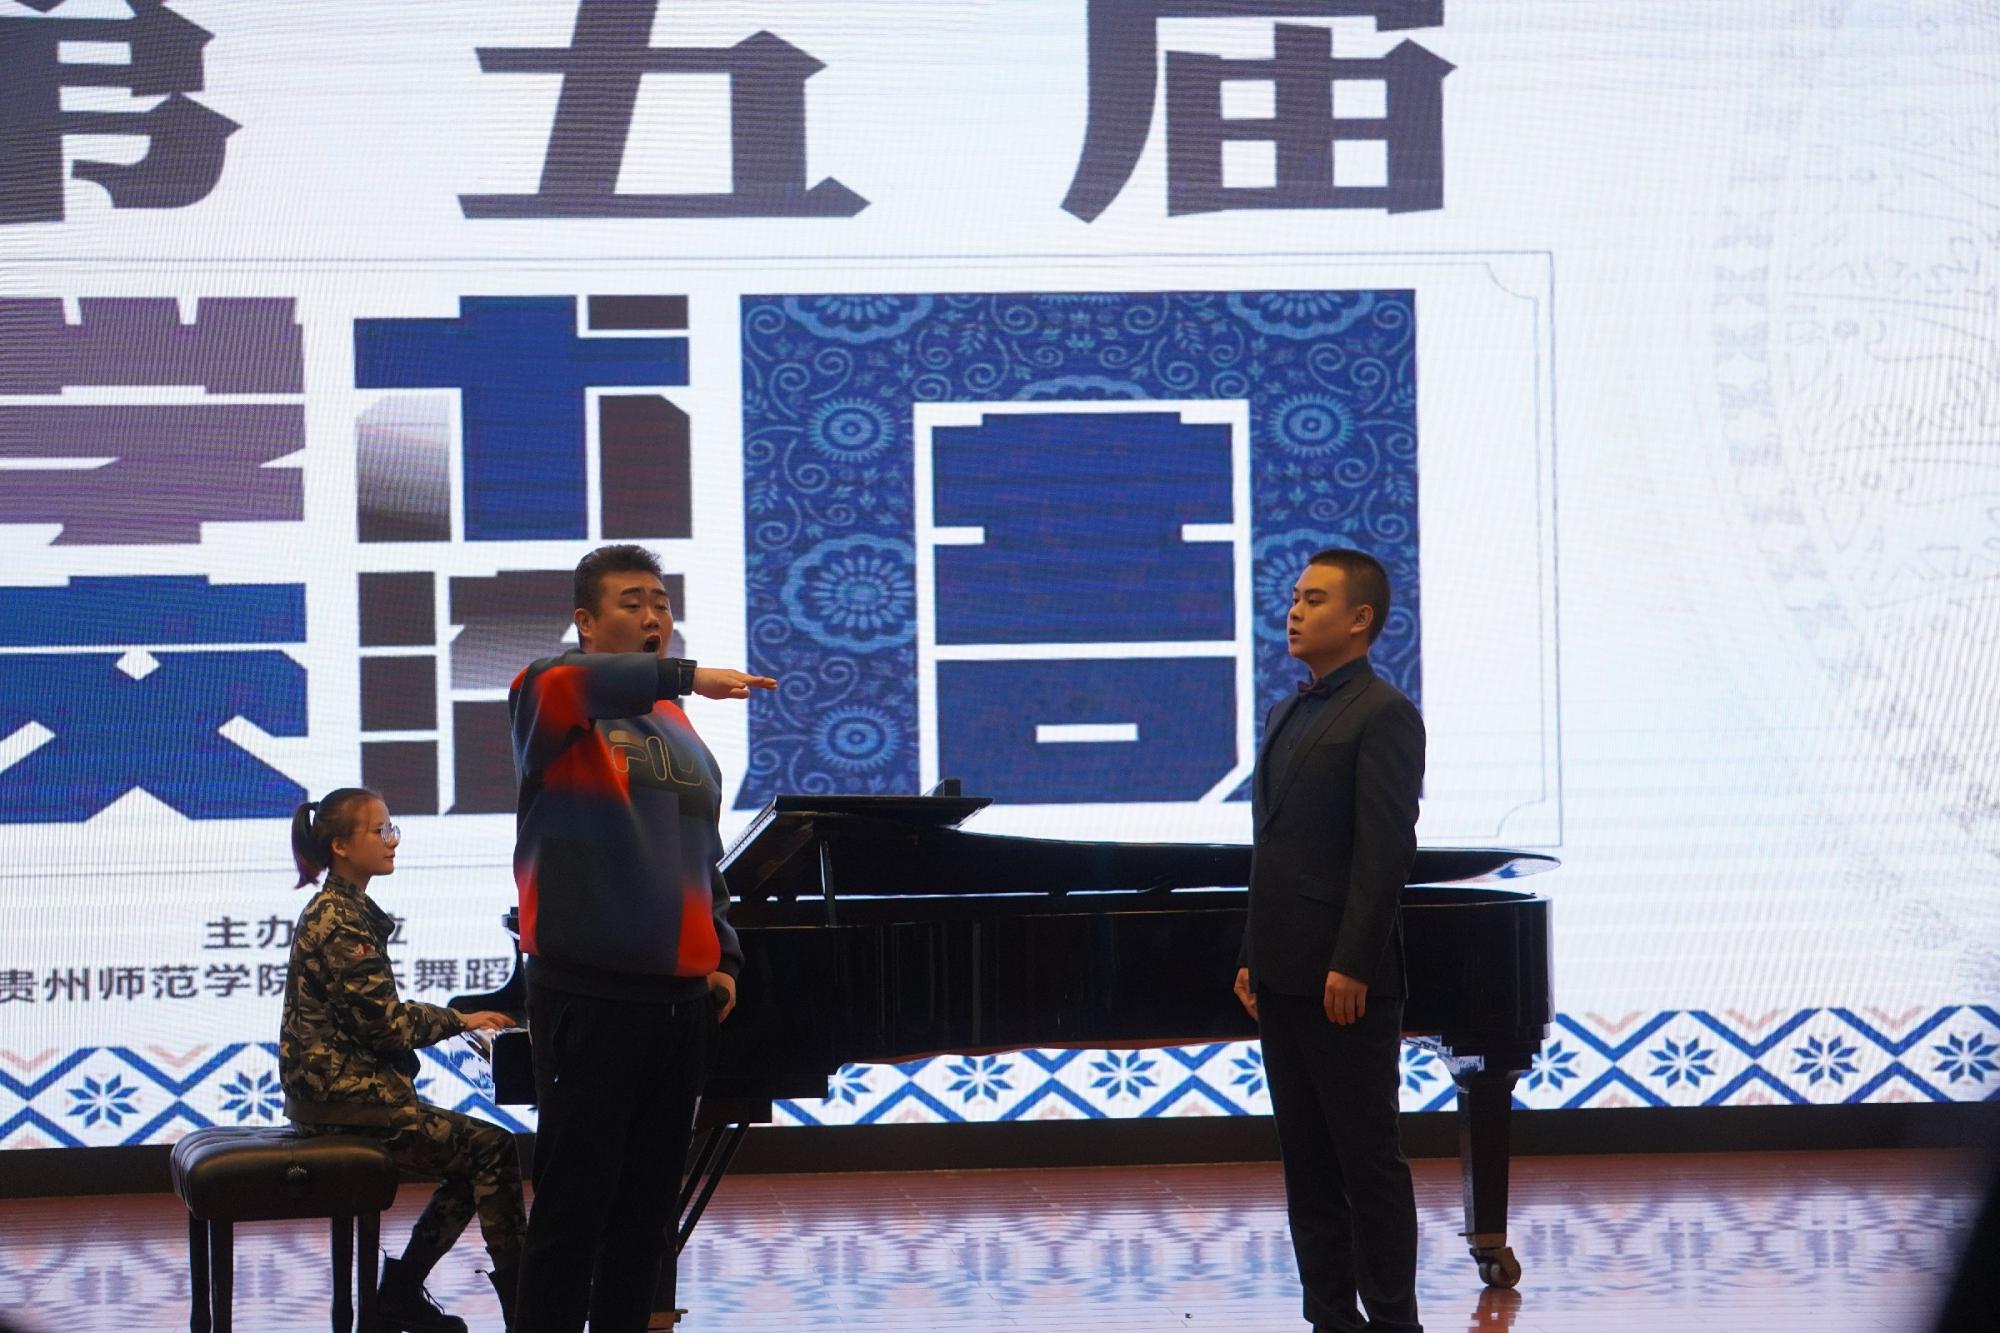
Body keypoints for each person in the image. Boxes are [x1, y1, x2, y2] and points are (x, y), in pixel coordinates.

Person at [509, 544, 776, 1332]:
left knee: (646, 1219)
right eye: (632, 602)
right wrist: (687, 674)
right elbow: (566, 682)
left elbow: (700, 852)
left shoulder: (675, 723)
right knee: (572, 1212)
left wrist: (722, 956)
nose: (654, 615)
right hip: (591, 992)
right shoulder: (549, 692)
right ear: (586, 622)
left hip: (679, 1003)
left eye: (661, 602)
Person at [1233, 547, 1427, 1333]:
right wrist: (1252, 951)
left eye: (1315, 599)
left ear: (1359, 619)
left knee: (1366, 1162)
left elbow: (1385, 853)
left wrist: (1352, 962)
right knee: (1307, 1163)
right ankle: (1329, 1318)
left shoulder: (1384, 713)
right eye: (1294, 597)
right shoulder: (1286, 712)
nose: (1294, 610)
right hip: (1281, 973)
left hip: (1345, 982)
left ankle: (1394, 1320)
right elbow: (1272, 850)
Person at [281, 787, 526, 1333]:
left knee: (477, 1157)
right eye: (380, 831)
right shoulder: (340, 920)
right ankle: (524, 1312)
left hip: (335, 1095)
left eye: (392, 830)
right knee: (492, 1150)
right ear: (341, 846)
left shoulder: (342, 909)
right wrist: (459, 1020)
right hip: (343, 1103)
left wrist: (456, 1020)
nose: (392, 841)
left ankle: (398, 1294)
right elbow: (385, 1025)